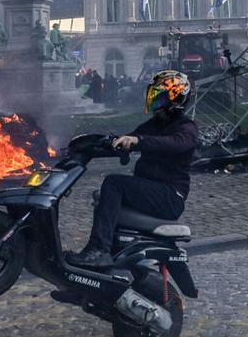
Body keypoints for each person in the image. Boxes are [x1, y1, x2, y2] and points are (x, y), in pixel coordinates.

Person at [65, 70, 200, 268]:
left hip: (170, 196)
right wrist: (92, 146)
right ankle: (101, 267)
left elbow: (175, 143)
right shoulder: (153, 125)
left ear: (175, 99)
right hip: (152, 190)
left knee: (114, 183)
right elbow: (129, 138)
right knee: (102, 197)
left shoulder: (186, 127)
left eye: (160, 97)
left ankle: (99, 250)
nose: (155, 102)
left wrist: (139, 141)